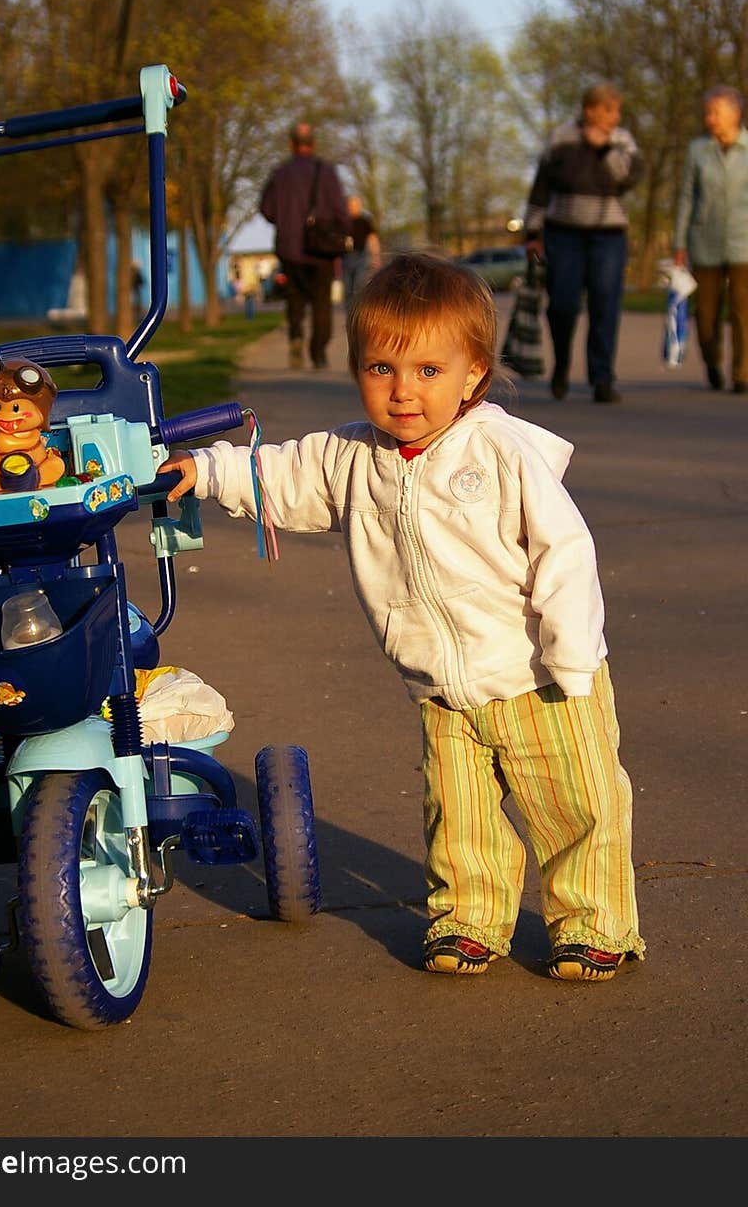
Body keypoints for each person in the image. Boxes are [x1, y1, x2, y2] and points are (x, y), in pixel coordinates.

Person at [159, 252, 645, 983]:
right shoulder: (354, 456)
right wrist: (207, 469)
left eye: (428, 371)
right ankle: (471, 919)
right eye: (381, 369)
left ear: (473, 373)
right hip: (440, 686)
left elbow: (565, 551)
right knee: (461, 818)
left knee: (578, 806)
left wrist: (571, 656)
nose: (403, 392)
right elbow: (280, 471)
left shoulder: (500, 450)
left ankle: (594, 923)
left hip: (540, 675)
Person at [523, 82, 644, 404]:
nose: (614, 117)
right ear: (589, 110)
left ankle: (602, 378)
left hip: (609, 235)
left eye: (617, 110)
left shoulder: (622, 141)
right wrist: (532, 234)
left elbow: (627, 179)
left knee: (606, 304)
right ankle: (562, 364)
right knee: (562, 304)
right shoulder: (561, 138)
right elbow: (540, 188)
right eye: (608, 110)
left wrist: (604, 149)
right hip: (564, 234)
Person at [673, 84, 748, 393]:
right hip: (704, 241)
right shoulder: (697, 150)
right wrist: (679, 242)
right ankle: (713, 361)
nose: (710, 118)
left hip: (743, 241)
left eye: (715, 112)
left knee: (743, 310)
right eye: (708, 112)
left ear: (734, 113)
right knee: (705, 315)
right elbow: (687, 197)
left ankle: (742, 374)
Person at [259, 121, 349, 370]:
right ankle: (318, 353)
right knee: (322, 302)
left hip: (290, 249)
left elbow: (265, 209)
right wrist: (340, 232)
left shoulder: (280, 174)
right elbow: (341, 211)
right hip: (321, 250)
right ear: (313, 144)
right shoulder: (326, 172)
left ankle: (296, 335)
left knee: (295, 298)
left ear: (291, 144)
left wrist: (285, 221)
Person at [342, 194, 381, 307]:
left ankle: (358, 311)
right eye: (351, 205)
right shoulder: (343, 221)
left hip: (361, 256)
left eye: (356, 205)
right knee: (347, 287)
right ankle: (349, 314)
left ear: (360, 206)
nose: (353, 207)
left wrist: (376, 256)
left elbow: (373, 238)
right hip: (345, 257)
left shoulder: (365, 221)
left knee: (359, 285)